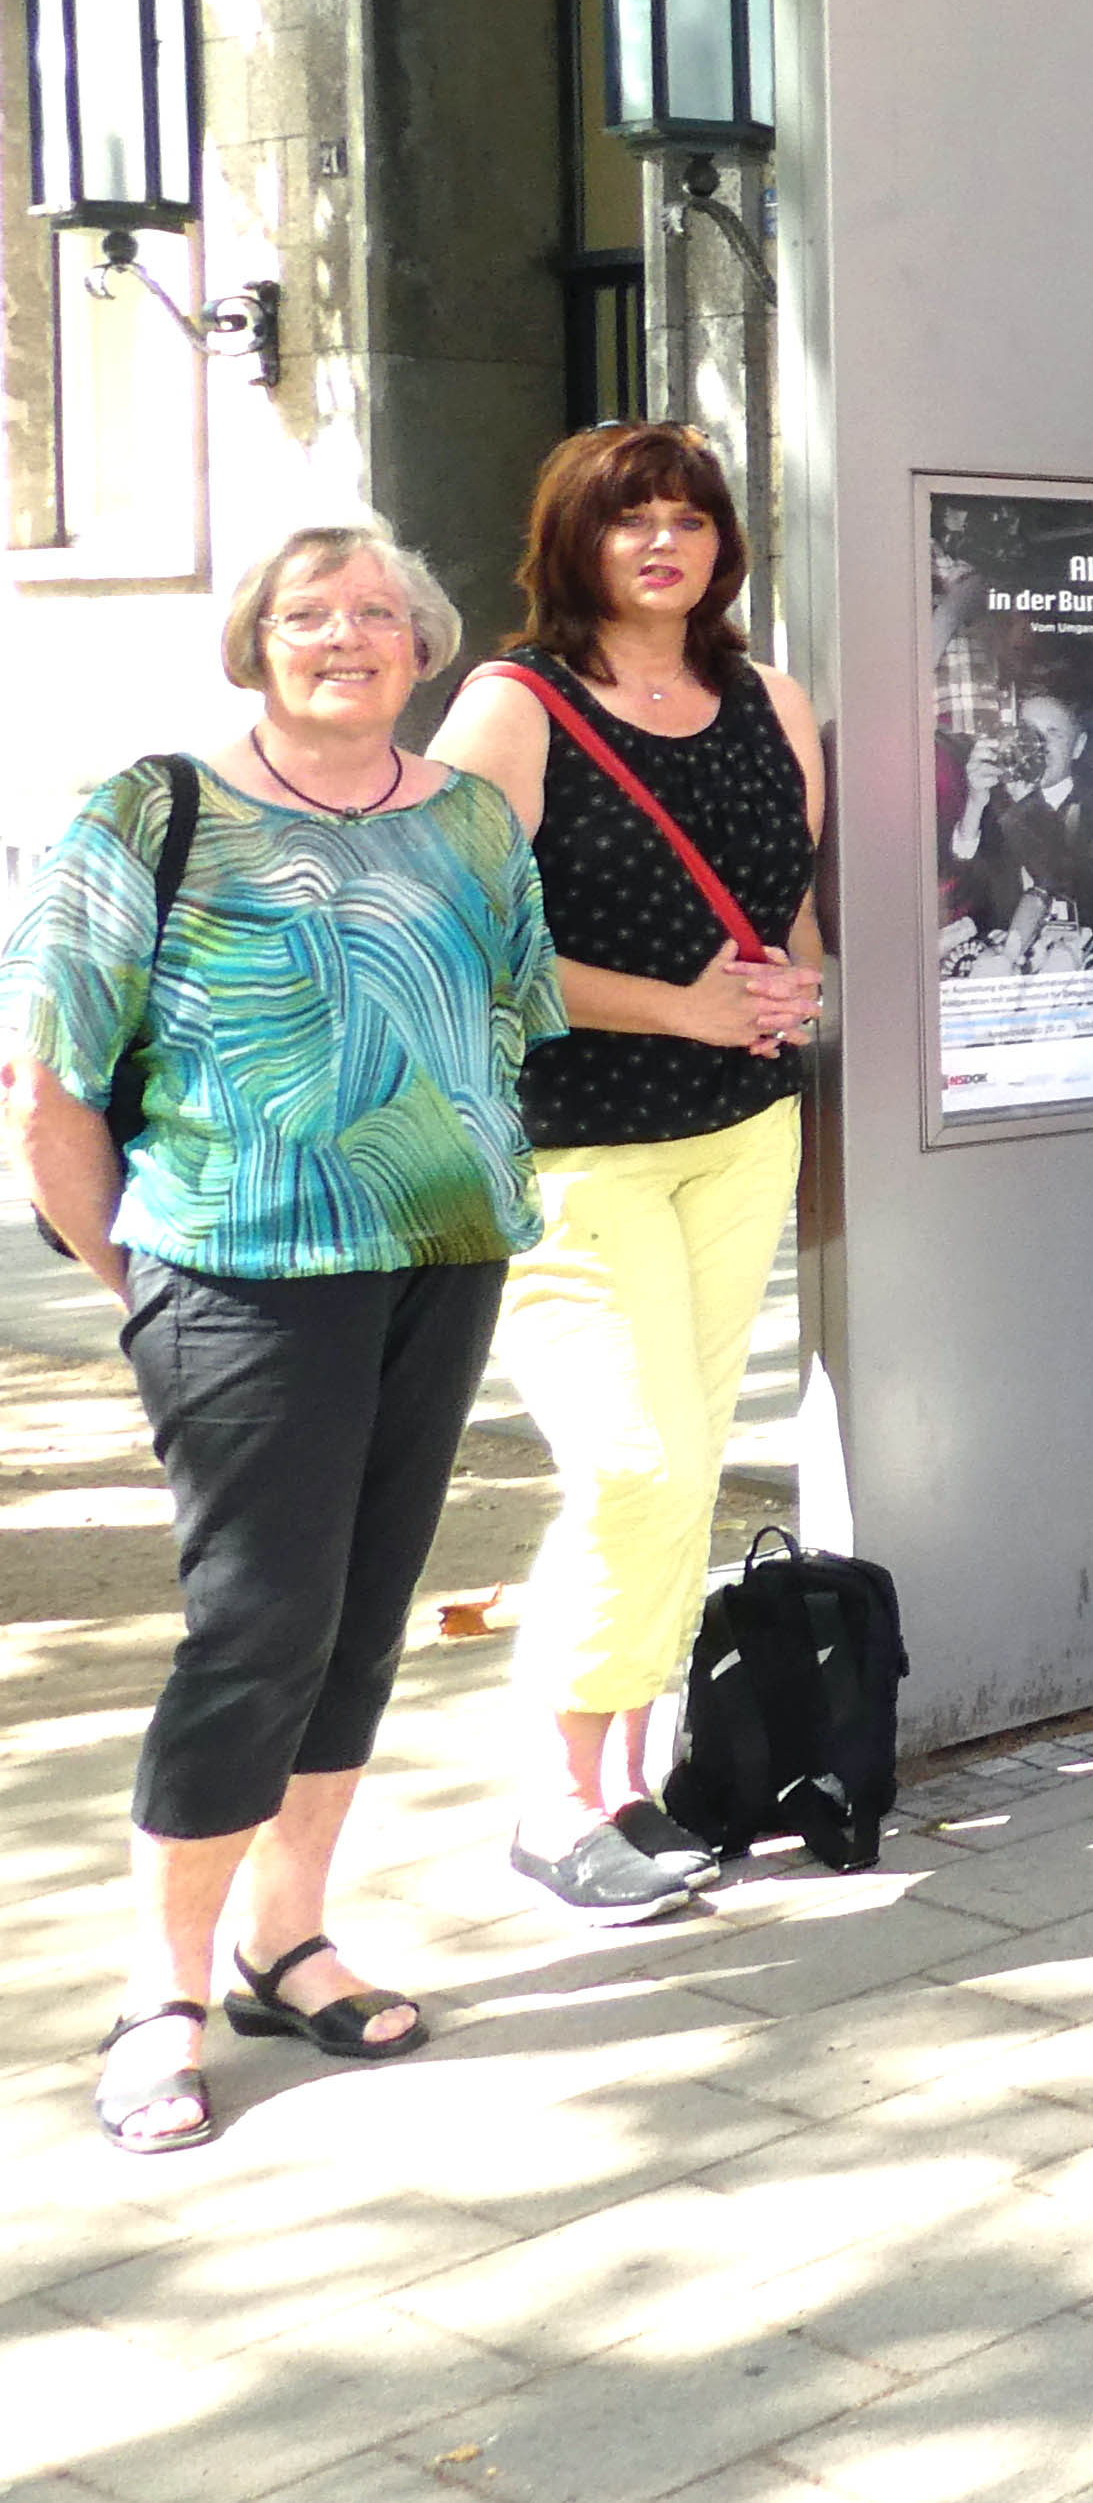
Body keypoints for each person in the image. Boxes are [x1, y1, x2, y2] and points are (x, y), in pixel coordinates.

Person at [14, 523, 568, 2153]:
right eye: (312, 615)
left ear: (427, 648)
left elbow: (506, 1022)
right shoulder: (153, 809)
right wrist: (132, 1277)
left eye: (382, 616)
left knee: (361, 1622)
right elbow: (43, 1076)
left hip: (438, 1255)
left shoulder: (471, 817)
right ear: (257, 641)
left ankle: (287, 1940)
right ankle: (158, 1992)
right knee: (255, 1629)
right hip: (237, 1268)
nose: (350, 638)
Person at [426, 425, 828, 1925]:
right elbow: (462, 945)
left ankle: (630, 1780)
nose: (664, 540)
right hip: (574, 1141)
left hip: (738, 1131)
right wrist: (683, 1003)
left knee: (691, 1457)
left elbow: (786, 898)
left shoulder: (769, 695)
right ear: (572, 541)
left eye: (690, 515)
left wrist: (790, 985)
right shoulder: (513, 706)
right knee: (631, 1463)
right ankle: (550, 1797)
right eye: (629, 518)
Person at [945, 683, 1093, 946]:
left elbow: (1073, 887)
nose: (1037, 746)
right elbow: (959, 891)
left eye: (1053, 733)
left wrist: (1026, 803)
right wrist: (975, 803)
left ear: (1078, 746)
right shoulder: (997, 805)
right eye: (1027, 732)